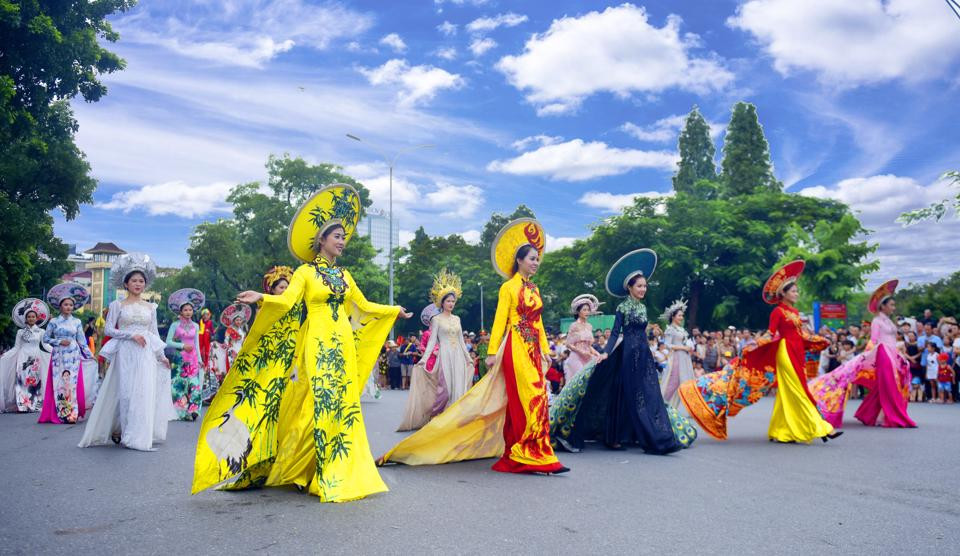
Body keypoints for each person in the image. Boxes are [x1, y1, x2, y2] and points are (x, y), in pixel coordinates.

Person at [192, 184, 412, 502]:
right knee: (317, 401)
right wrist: (262, 297)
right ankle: (303, 466)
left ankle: (331, 467)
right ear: (321, 240)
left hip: (342, 345)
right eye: (337, 237)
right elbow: (288, 301)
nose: (342, 241)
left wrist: (395, 311)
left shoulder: (346, 276)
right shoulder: (305, 273)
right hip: (317, 341)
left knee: (342, 405)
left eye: (343, 238)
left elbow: (364, 306)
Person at [379, 218, 567, 474]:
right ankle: (529, 452)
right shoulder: (508, 288)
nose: (536, 262)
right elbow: (501, 320)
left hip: (533, 350)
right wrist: (491, 353)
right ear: (519, 260)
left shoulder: (534, 288)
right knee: (528, 397)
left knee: (538, 397)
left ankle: (528, 449)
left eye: (537, 258)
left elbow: (539, 323)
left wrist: (545, 350)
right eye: (532, 258)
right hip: (516, 348)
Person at [549, 249, 696, 454]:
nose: (643, 289)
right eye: (639, 286)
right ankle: (615, 437)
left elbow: (642, 333)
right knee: (626, 394)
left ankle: (655, 436)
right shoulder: (622, 308)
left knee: (648, 394)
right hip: (626, 355)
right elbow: (616, 333)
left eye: (645, 286)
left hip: (643, 355)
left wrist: (650, 351)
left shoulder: (643, 308)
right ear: (630, 287)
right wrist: (606, 353)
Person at [679, 260, 841, 443]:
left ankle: (781, 431)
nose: (797, 293)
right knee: (800, 390)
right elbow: (770, 333)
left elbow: (802, 335)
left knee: (788, 392)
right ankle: (822, 427)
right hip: (785, 353)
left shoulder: (795, 313)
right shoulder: (778, 312)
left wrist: (822, 340)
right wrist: (754, 344)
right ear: (784, 293)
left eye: (797, 290)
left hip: (797, 353)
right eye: (794, 291)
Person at [79, 253, 176, 450]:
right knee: (126, 393)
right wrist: (131, 336)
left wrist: (161, 356)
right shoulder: (117, 305)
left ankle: (137, 435)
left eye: (141, 281)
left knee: (144, 391)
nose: (138, 284)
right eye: (134, 280)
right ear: (126, 283)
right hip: (126, 352)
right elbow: (108, 330)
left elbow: (154, 332)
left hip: (146, 352)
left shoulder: (151, 307)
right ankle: (121, 428)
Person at [808, 280, 916, 428]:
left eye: (893, 305)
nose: (893, 307)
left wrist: (899, 353)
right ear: (882, 306)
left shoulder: (889, 321)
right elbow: (874, 341)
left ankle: (871, 414)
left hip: (893, 355)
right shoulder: (877, 321)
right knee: (888, 385)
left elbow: (893, 339)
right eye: (891, 305)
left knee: (886, 386)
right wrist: (866, 357)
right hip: (883, 354)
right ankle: (887, 416)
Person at [415, 268, 474, 409]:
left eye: (453, 301)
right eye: (448, 301)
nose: (451, 304)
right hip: (445, 355)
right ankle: (439, 415)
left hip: (458, 355)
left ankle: (454, 419)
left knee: (458, 389)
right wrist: (423, 359)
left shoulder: (457, 319)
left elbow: (461, 341)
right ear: (442, 302)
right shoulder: (436, 320)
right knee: (445, 390)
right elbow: (431, 343)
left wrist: (469, 359)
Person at [38, 283, 94, 424]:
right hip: (58, 356)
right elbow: (46, 339)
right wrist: (59, 341)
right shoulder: (54, 322)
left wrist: (89, 355)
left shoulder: (77, 322)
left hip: (73, 356)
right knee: (59, 382)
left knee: (71, 383)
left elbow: (82, 341)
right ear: (60, 306)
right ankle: (61, 412)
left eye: (71, 305)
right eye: (66, 304)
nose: (69, 307)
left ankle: (72, 414)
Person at [396, 303, 444, 431]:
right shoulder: (427, 333)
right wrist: (428, 352)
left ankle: (440, 415)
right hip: (429, 361)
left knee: (442, 387)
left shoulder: (442, 330)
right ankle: (428, 414)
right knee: (430, 389)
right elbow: (422, 346)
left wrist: (439, 350)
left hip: (442, 360)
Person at [0, 299, 51, 412]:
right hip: (23, 358)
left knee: (35, 381)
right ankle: (23, 405)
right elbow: (16, 347)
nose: (31, 318)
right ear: (25, 319)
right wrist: (5, 355)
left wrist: (56, 351)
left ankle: (34, 404)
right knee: (22, 380)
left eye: (33, 316)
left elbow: (46, 345)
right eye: (29, 317)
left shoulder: (41, 332)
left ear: (37, 318)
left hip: (36, 358)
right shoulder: (20, 332)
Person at [166, 288, 206, 421]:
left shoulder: (195, 325)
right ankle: (181, 411)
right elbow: (168, 342)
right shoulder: (175, 325)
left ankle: (194, 410)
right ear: (181, 312)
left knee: (195, 384)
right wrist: (182, 346)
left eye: (190, 310)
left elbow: (197, 344)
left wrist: (200, 359)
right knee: (179, 385)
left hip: (193, 359)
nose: (188, 312)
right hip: (179, 360)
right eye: (186, 310)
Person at [660, 299, 695, 408]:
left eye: (682, 315)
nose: (681, 317)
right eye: (679, 315)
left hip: (685, 357)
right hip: (676, 357)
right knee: (674, 380)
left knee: (686, 381)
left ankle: (685, 406)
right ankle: (664, 402)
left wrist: (689, 347)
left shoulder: (681, 329)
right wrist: (683, 347)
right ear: (673, 316)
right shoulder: (670, 329)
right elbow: (667, 345)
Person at [564, 294, 603, 383]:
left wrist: (596, 353)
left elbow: (589, 345)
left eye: (588, 310)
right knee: (580, 380)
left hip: (587, 356)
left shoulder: (589, 326)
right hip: (576, 357)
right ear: (578, 312)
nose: (587, 312)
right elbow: (568, 344)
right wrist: (581, 352)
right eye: (584, 310)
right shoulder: (574, 325)